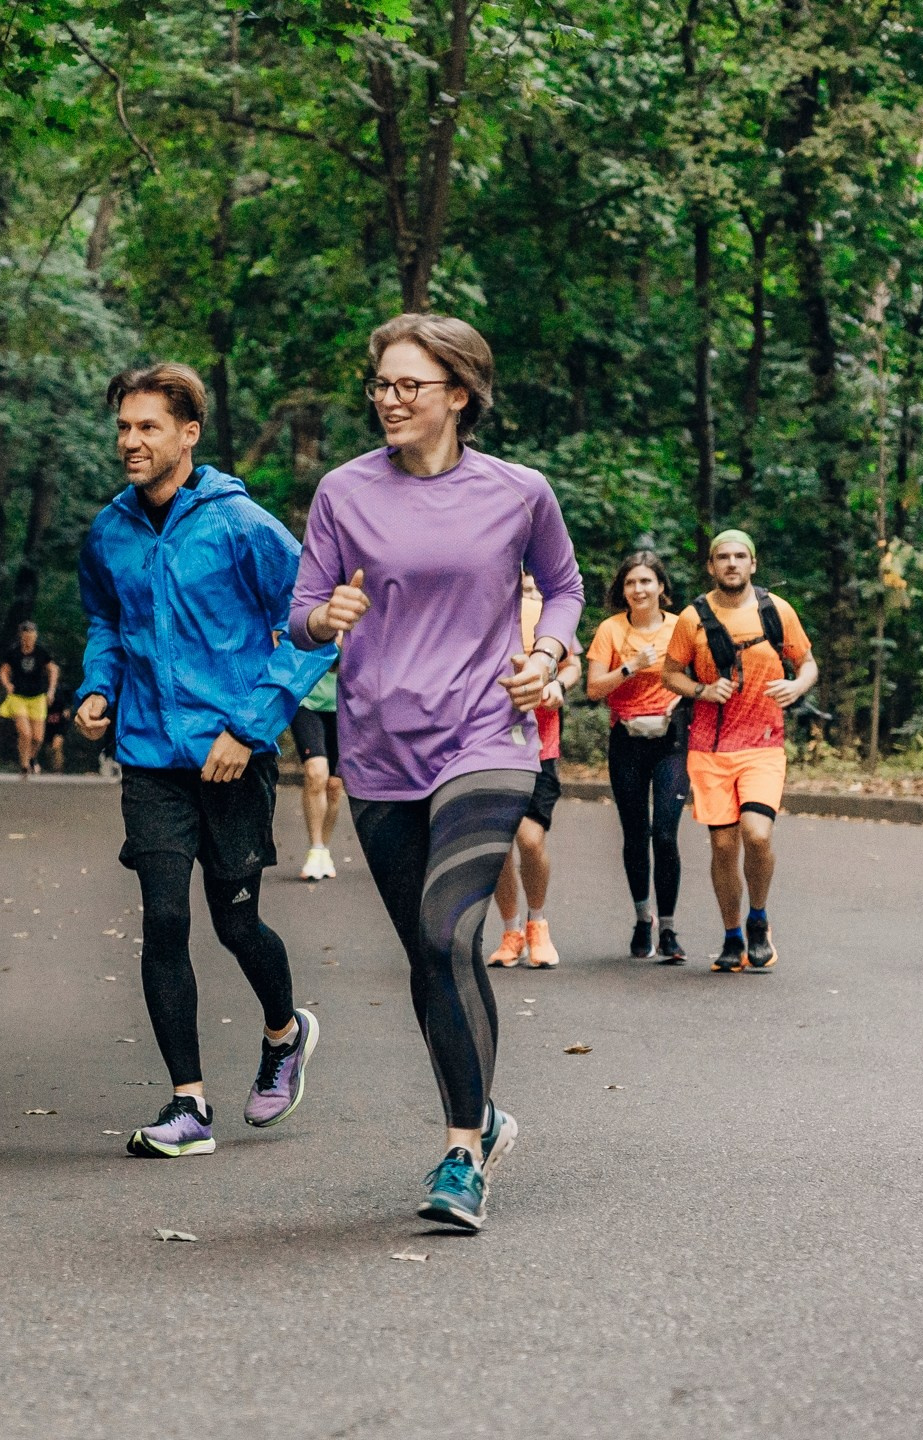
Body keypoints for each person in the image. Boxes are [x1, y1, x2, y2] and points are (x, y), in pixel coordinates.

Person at [289, 313, 583, 1233]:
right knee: (429, 951)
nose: (389, 398)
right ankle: (485, 1108)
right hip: (379, 748)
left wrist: (552, 651)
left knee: (449, 933)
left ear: (459, 393)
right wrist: (325, 616)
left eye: (409, 385)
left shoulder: (519, 492)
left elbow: (565, 585)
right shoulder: (344, 492)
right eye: (381, 383)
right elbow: (301, 613)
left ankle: (462, 1151)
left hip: (487, 735)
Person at [71, 362, 335, 1158]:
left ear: (189, 434)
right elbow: (106, 624)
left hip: (232, 756)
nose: (130, 441)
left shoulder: (242, 525)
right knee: (165, 917)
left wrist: (250, 729)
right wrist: (97, 689)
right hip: (150, 755)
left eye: (147, 426)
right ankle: (188, 1106)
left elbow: (312, 631)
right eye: (123, 426)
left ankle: (285, 1033)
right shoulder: (109, 531)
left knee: (236, 919)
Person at [658, 530, 817, 974]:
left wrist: (797, 685)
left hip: (763, 743)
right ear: (711, 566)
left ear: (753, 564)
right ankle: (732, 936)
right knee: (724, 846)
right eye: (723, 557)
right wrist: (703, 689)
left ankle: (759, 919)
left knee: (757, 834)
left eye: (739, 556)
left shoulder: (775, 610)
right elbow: (670, 674)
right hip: (709, 748)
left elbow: (807, 663)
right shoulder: (693, 618)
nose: (731, 563)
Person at [584, 551, 689, 964]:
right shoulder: (611, 630)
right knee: (635, 833)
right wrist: (630, 666)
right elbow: (593, 689)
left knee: (665, 833)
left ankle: (668, 928)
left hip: (670, 739)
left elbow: (697, 676)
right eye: (631, 583)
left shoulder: (682, 626)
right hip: (627, 740)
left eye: (646, 582)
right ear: (622, 591)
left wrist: (678, 701)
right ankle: (642, 919)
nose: (638, 589)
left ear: (661, 587)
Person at [488, 572, 580, 969]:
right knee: (498, 845)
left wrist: (558, 683)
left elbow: (572, 664)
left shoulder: (546, 615)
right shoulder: (479, 612)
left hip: (539, 744)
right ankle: (511, 931)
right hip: (486, 745)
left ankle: (537, 924)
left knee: (529, 838)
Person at [291, 665, 345, 880]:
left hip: (343, 705)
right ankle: (316, 849)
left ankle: (323, 850)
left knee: (334, 786)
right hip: (306, 702)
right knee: (316, 773)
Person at [0, 621, 60, 776]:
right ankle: (24, 765)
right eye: (25, 637)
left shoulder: (41, 652)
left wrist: (51, 691)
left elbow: (53, 669)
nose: (28, 641)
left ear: (35, 636)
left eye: (31, 637)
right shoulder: (13, 652)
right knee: (25, 733)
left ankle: (31, 758)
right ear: (21, 636)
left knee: (38, 737)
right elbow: (4, 671)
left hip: (37, 697)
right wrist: (7, 685)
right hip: (18, 696)